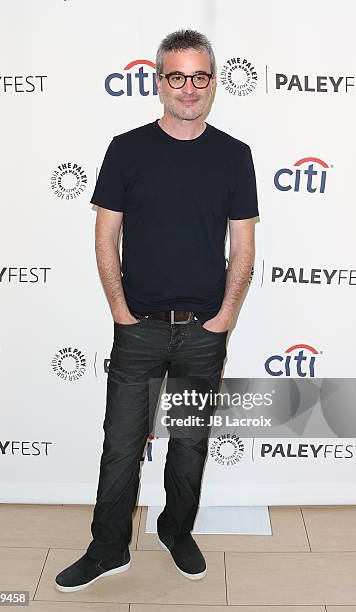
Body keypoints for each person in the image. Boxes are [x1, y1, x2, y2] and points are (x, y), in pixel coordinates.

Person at [55, 28, 259, 592]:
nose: (188, 88)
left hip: (202, 331)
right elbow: (106, 238)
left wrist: (223, 320)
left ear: (213, 83)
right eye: (176, 76)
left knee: (190, 444)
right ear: (158, 81)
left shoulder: (234, 155)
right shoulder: (126, 149)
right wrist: (120, 312)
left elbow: (242, 247)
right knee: (121, 444)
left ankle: (176, 532)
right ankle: (107, 549)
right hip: (138, 329)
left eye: (199, 76)